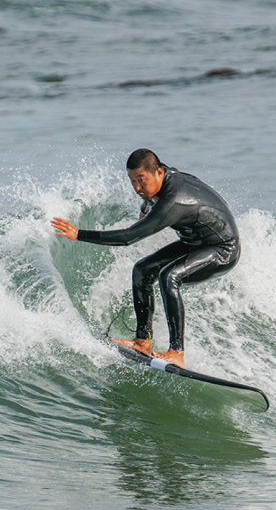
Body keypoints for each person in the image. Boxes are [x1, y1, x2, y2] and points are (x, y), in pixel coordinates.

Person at [51, 149, 240, 368]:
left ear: (158, 173)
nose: (138, 188)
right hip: (195, 242)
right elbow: (154, 195)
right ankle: (143, 341)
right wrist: (146, 206)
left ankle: (177, 352)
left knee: (170, 276)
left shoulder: (174, 201)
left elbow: (129, 237)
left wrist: (79, 234)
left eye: (142, 181)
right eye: (133, 182)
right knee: (142, 270)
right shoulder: (166, 176)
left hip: (222, 249)